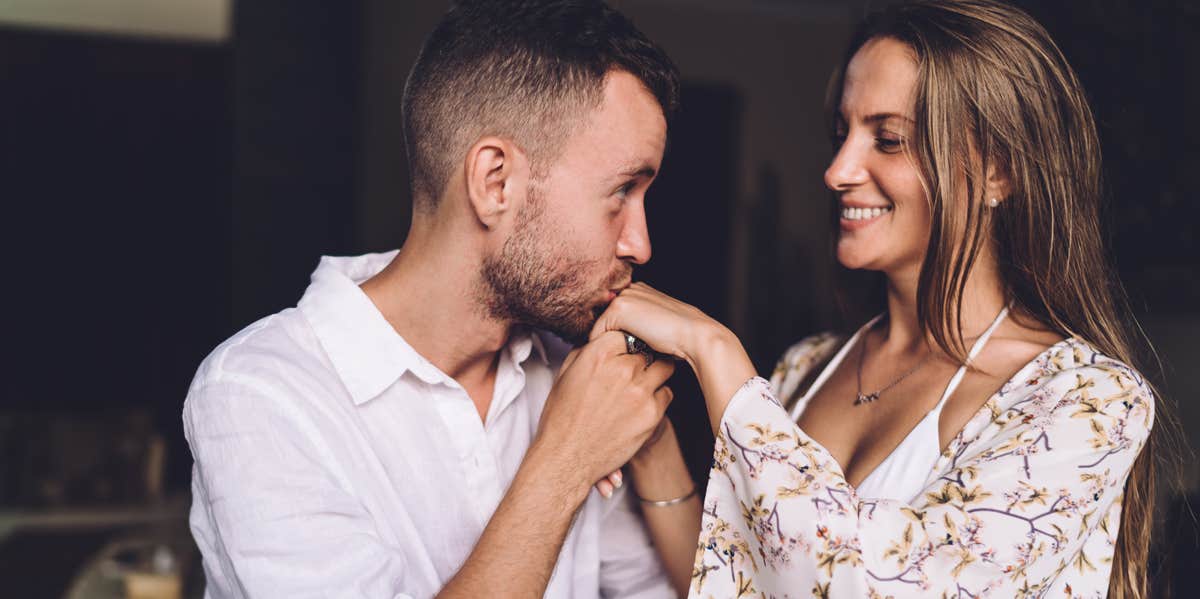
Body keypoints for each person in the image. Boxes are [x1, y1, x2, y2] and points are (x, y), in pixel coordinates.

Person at [596, 1, 1159, 596]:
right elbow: (740, 585)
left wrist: (714, 352)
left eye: (887, 140)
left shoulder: (1089, 402)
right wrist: (650, 445)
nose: (838, 170)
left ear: (998, 170)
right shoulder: (805, 368)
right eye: (842, 134)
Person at [182, 1, 696, 597]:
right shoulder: (259, 397)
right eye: (622, 191)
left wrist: (652, 438)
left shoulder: (571, 374)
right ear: (495, 182)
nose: (641, 243)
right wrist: (566, 459)